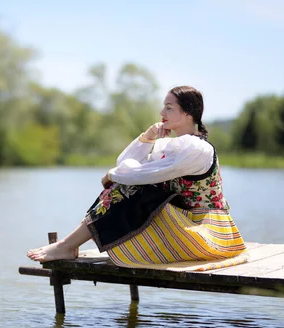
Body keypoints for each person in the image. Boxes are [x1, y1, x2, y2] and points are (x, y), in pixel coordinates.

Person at [27, 85, 249, 271]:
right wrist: (148, 136)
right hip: (182, 223)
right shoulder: (170, 144)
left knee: (129, 188)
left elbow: (145, 174)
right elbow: (125, 161)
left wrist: (113, 175)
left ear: (188, 114)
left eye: (169, 108)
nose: (162, 112)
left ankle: (67, 245)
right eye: (163, 106)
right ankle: (68, 244)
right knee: (127, 186)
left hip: (205, 231)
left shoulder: (196, 148)